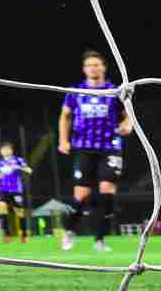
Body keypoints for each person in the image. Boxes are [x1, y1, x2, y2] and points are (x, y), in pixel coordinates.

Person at [60, 47, 132, 252]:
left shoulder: (115, 90)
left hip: (110, 147)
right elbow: (64, 116)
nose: (93, 68)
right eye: (89, 65)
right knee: (81, 195)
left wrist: (128, 125)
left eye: (96, 64)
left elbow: (129, 114)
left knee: (107, 193)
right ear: (84, 69)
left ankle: (100, 240)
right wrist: (63, 141)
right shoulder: (75, 91)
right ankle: (70, 230)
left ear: (104, 67)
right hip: (84, 147)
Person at [0, 141, 31, 243]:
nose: (4, 151)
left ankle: (24, 235)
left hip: (16, 189)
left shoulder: (18, 160)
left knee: (19, 213)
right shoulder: (1, 162)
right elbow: (2, 174)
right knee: (1, 207)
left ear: (11, 150)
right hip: (3, 189)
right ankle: (7, 235)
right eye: (3, 149)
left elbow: (29, 170)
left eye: (7, 149)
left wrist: (19, 167)